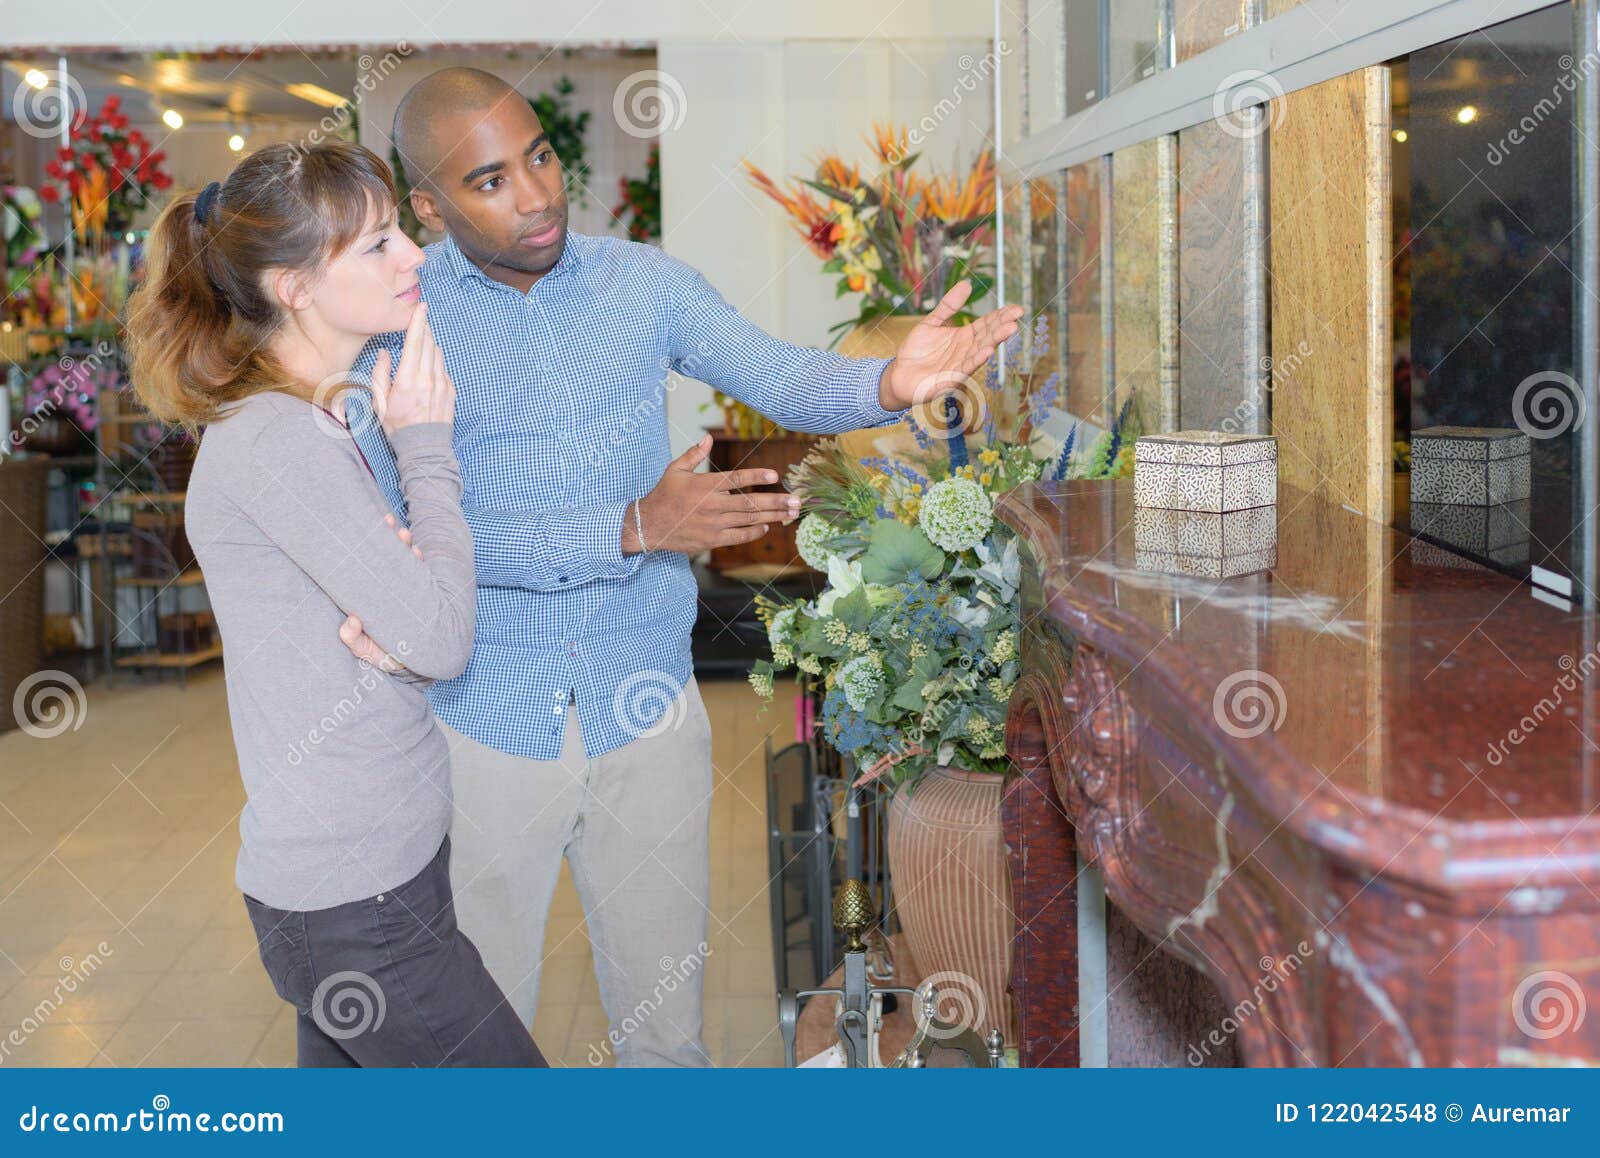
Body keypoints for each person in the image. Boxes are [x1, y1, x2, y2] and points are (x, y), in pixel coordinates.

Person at [342, 67, 1023, 1067]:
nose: (535, 195)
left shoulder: (643, 284)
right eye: (490, 181)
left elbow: (779, 374)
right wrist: (625, 527)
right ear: (429, 208)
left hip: (648, 710)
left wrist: (889, 380)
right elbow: (405, 546)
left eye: (540, 156)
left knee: (665, 1039)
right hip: (479, 724)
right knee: (477, 1044)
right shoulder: (395, 330)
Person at [124, 139, 544, 1068]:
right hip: (359, 907)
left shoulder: (314, 418)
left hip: (370, 884)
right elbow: (443, 635)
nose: (415, 256)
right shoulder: (277, 440)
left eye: (399, 232)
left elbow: (410, 630)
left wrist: (406, 635)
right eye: (378, 243)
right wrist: (426, 444)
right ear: (294, 288)